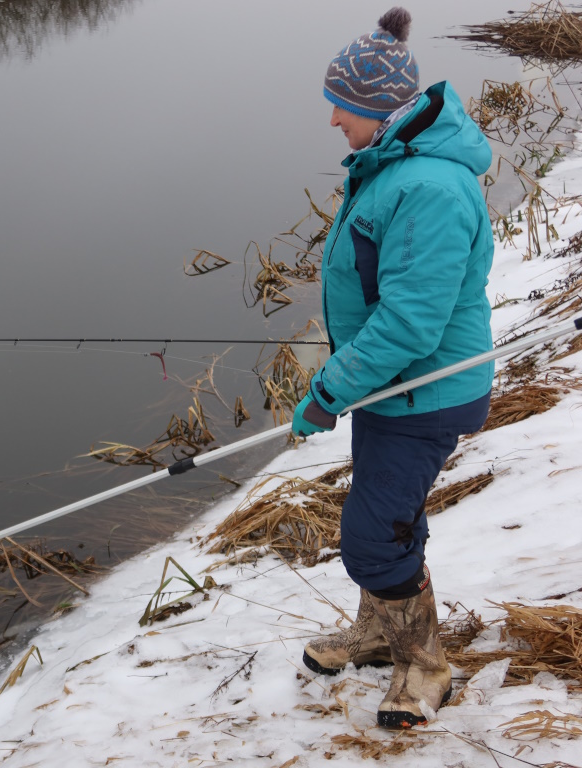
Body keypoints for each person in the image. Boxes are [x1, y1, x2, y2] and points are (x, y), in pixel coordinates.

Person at [290, 8, 494, 729]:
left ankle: (427, 666)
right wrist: (350, 381)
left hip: (424, 394)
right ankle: (380, 634)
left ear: (383, 109)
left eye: (342, 105)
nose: (335, 119)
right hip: (393, 391)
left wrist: (328, 389)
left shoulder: (429, 189)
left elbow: (410, 322)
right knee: (390, 515)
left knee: (373, 538)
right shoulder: (392, 164)